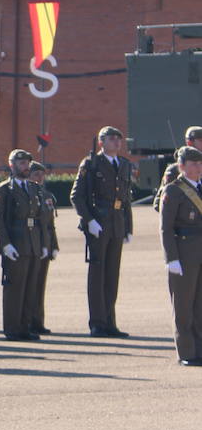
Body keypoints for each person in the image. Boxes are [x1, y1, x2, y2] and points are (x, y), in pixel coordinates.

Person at [71, 126, 134, 337]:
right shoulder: (91, 163)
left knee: (112, 275)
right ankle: (97, 322)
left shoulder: (124, 164)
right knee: (97, 276)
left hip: (116, 223)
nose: (117, 142)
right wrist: (89, 221)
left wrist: (128, 227)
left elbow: (125, 199)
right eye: (112, 139)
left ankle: (110, 322)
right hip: (98, 222)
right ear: (101, 142)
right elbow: (77, 196)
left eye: (119, 139)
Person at [0, 149, 44, 341]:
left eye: (27, 163)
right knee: (15, 289)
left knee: (30, 288)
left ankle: (25, 326)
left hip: (32, 245)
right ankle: (13, 328)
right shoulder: (3, 189)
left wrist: (43, 244)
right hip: (16, 244)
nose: (26, 167)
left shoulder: (33, 188)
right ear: (12, 165)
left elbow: (40, 218)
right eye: (22, 163)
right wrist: (5, 244)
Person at [160, 145, 202, 365]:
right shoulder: (174, 190)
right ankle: (186, 352)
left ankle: (200, 349)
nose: (198, 167)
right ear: (182, 166)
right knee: (184, 305)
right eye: (194, 163)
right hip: (184, 253)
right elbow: (165, 227)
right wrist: (171, 258)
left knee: (200, 304)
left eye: (200, 163)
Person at [28, 162, 59, 335]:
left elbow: (50, 224)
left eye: (41, 174)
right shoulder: (28, 195)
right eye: (35, 174)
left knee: (40, 286)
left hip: (45, 245)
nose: (39, 178)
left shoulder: (47, 195)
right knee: (30, 285)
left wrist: (54, 245)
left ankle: (38, 321)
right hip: (32, 245)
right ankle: (28, 321)